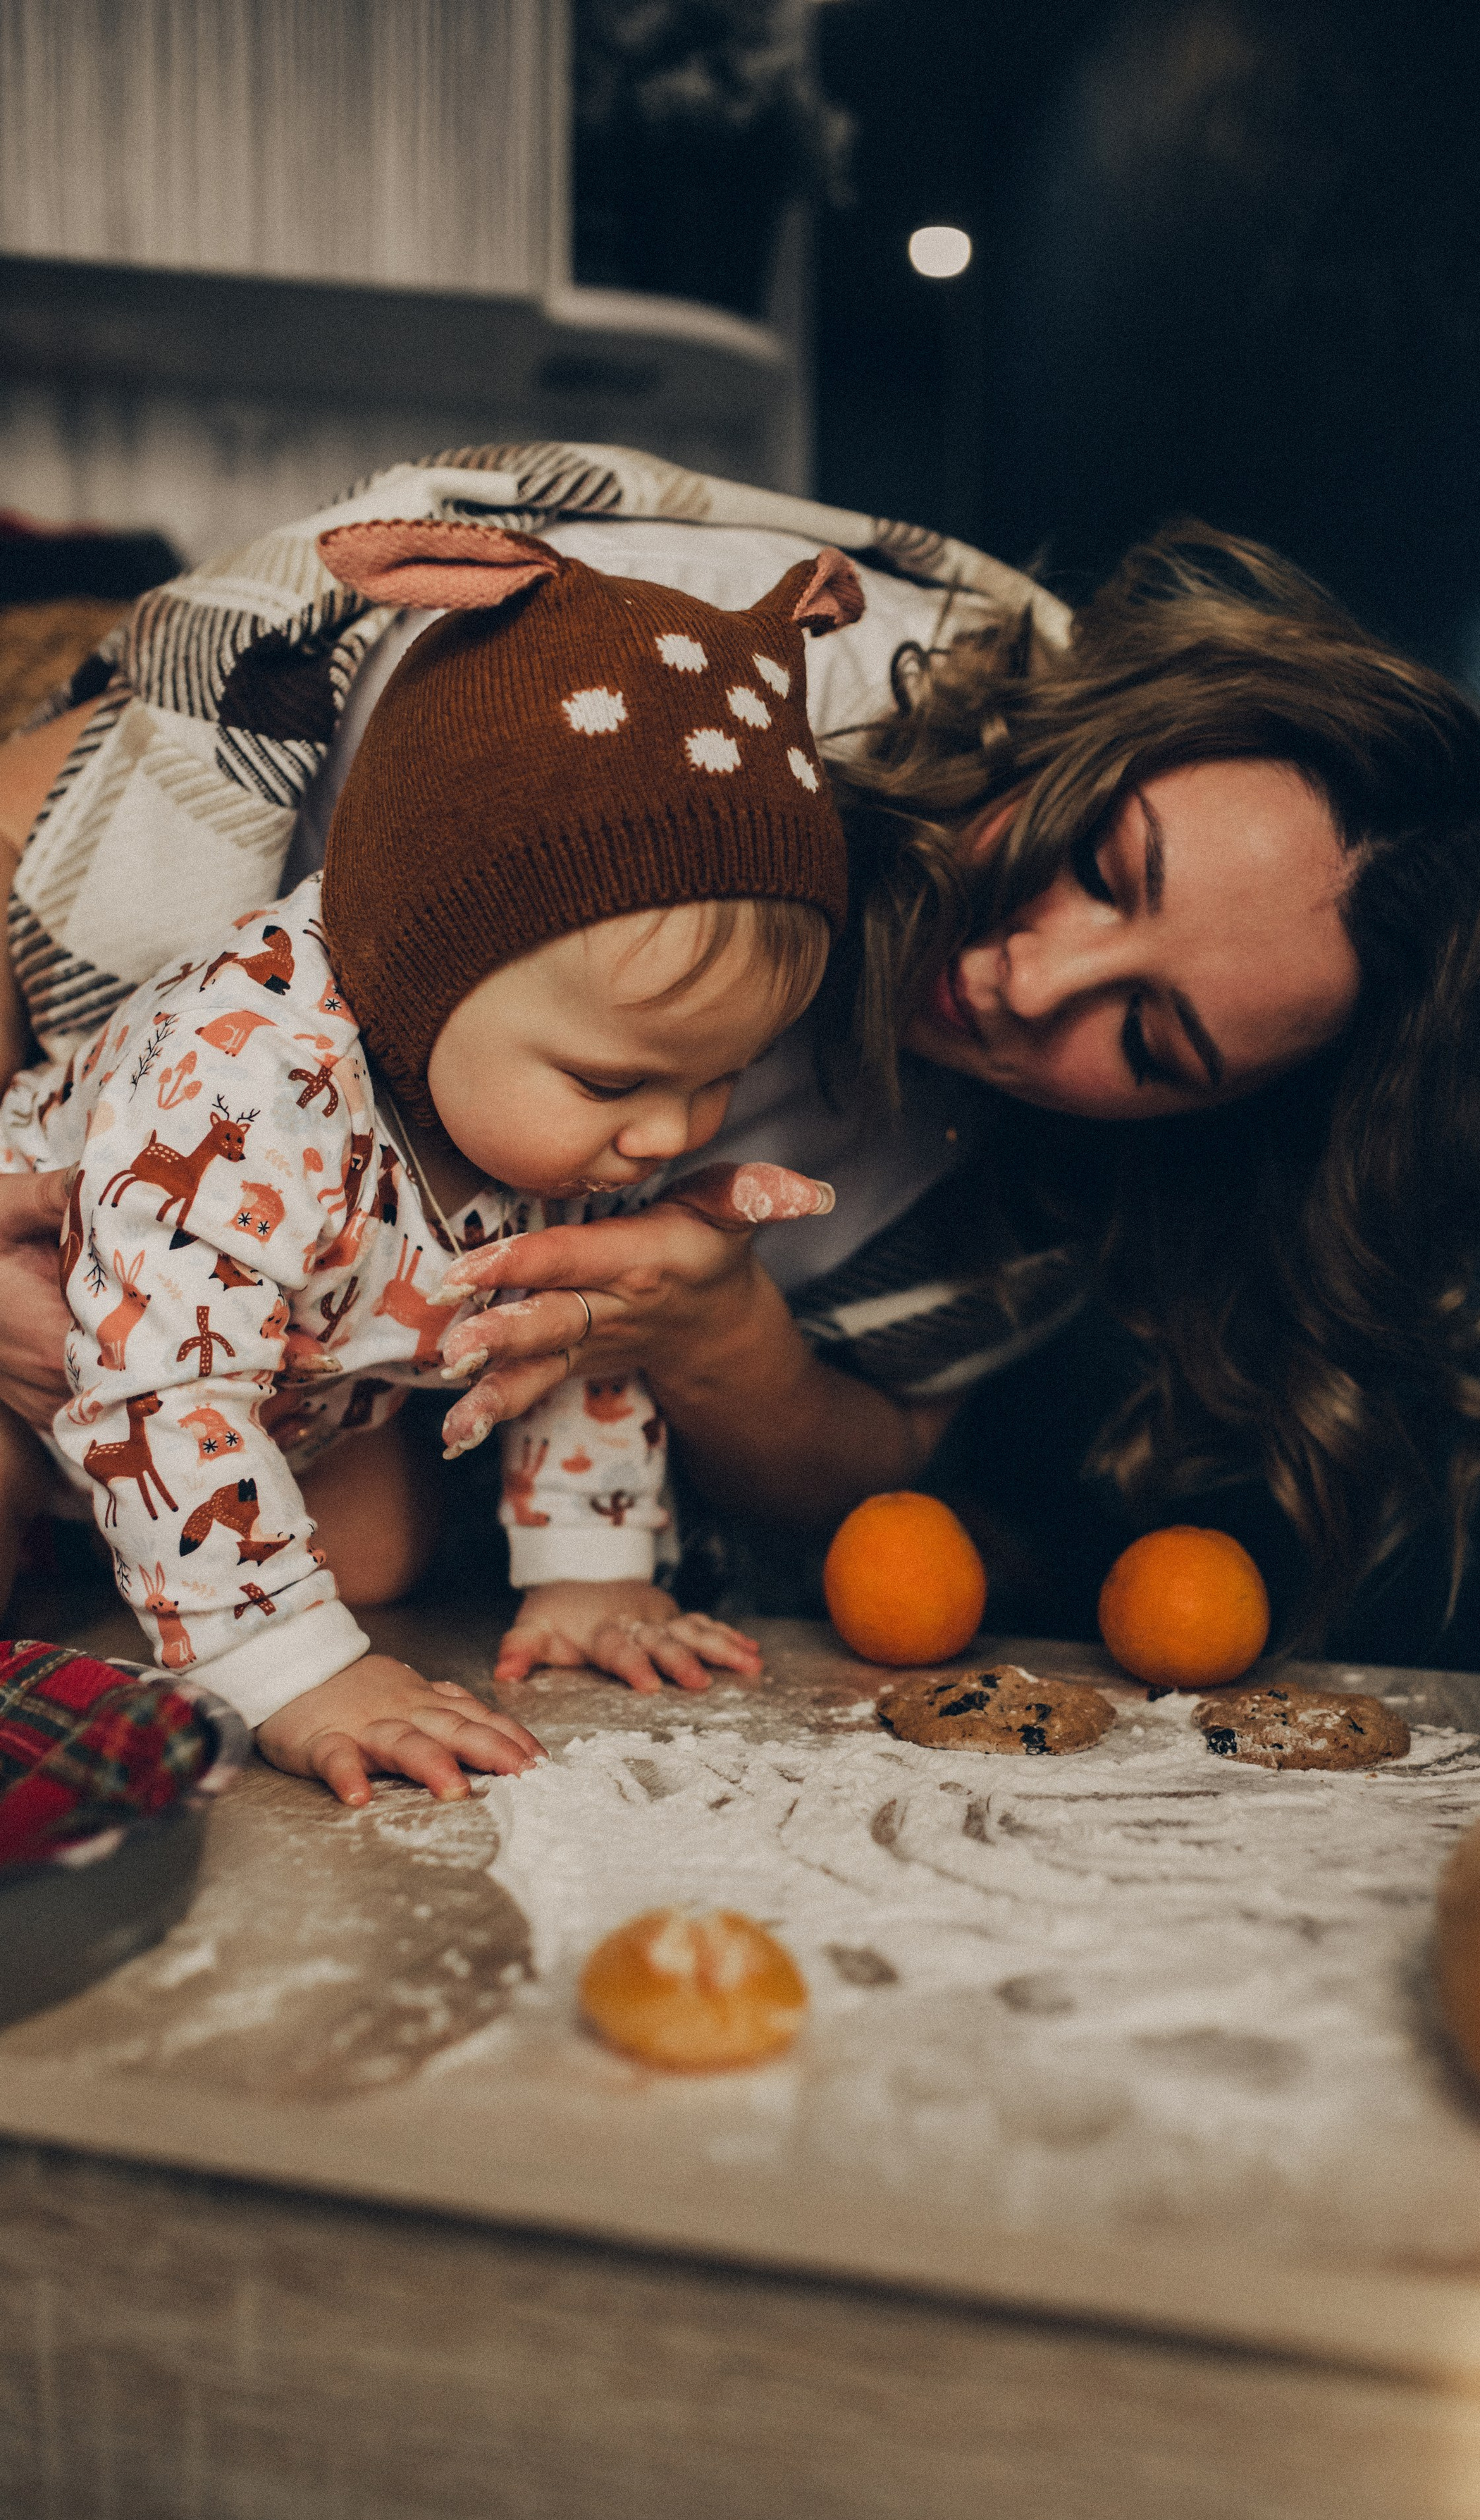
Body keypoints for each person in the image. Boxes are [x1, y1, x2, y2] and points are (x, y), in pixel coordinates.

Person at [0, 442, 1480, 1653]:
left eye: (1148, 1040)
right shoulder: (713, 683)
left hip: (314, 1393)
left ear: (1211, 1123)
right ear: (1103, 730)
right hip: (76, 1155)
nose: (1031, 978)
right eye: (1102, 858)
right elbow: (60, 824)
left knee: (388, 1546)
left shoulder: (1024, 1202)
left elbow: (849, 1486)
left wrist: (713, 1336)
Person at [0, 519, 866, 1802]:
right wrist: (288, 1668)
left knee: (383, 1552)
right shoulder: (244, 1073)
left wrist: (591, 1573)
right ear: (418, 965)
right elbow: (148, 1389)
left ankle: (147, 1568)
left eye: (719, 1077)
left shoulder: (588, 1084)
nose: (673, 1135)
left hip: (288, 1397)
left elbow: (577, 1333)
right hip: (68, 1347)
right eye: (618, 1083)